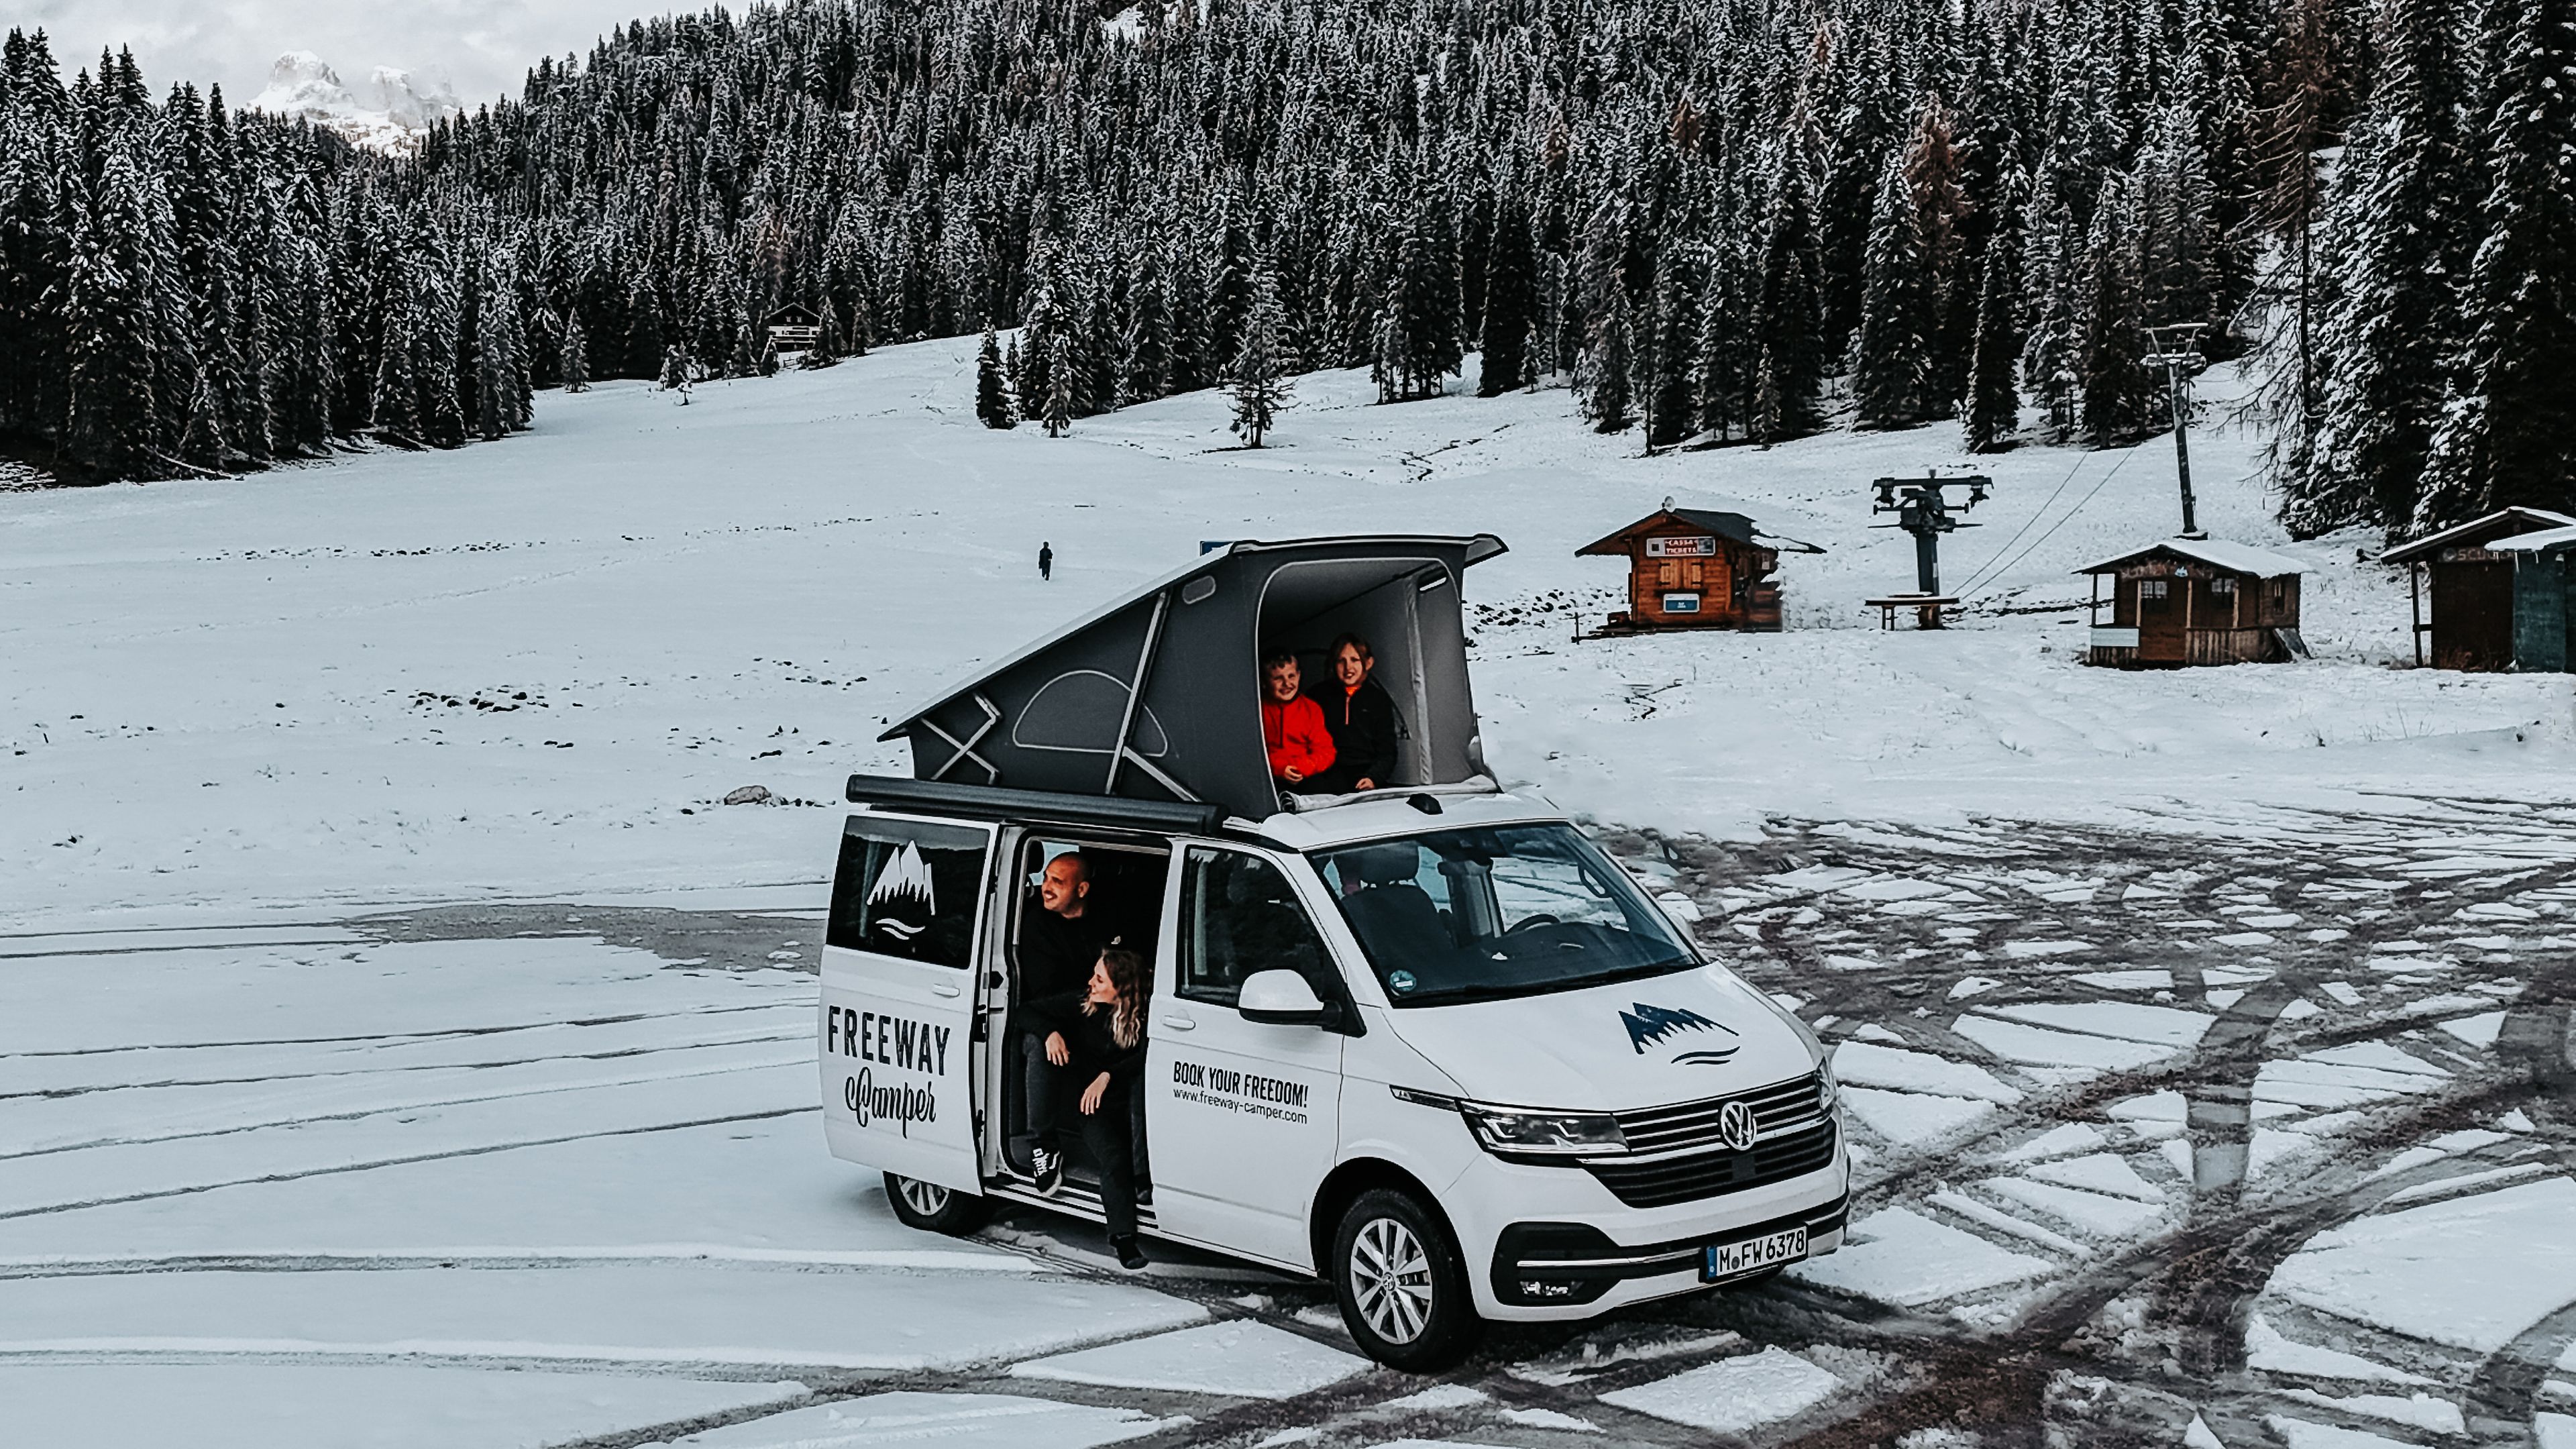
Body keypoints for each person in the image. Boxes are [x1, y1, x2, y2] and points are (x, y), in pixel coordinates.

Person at [1023, 948, 1153, 1270]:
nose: (1091, 983)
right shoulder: (1084, 1005)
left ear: (1121, 988)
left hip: (1134, 1102)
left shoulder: (1147, 1014)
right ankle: (1124, 1240)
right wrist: (1050, 1034)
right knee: (1113, 1156)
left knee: (1139, 1087)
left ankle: (1143, 1177)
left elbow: (1148, 1056)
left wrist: (1109, 1075)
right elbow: (1024, 1011)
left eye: (1099, 978)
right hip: (1093, 1106)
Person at [1308, 633, 1400, 794]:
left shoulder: (1378, 699)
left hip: (1364, 774)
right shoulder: (1317, 695)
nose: (1348, 668)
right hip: (1327, 773)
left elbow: (1387, 750)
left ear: (1369, 663)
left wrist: (1374, 778)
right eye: (1341, 661)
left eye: (1355, 660)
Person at [1260, 649, 1335, 793]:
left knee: (1322, 788)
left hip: (1304, 774)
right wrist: (1280, 768)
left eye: (1291, 676)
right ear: (1264, 682)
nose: (1287, 683)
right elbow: (1253, 752)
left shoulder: (1311, 709)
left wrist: (1302, 768)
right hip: (1269, 774)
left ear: (1299, 676)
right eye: (1278, 678)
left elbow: (1326, 751)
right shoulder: (1259, 709)